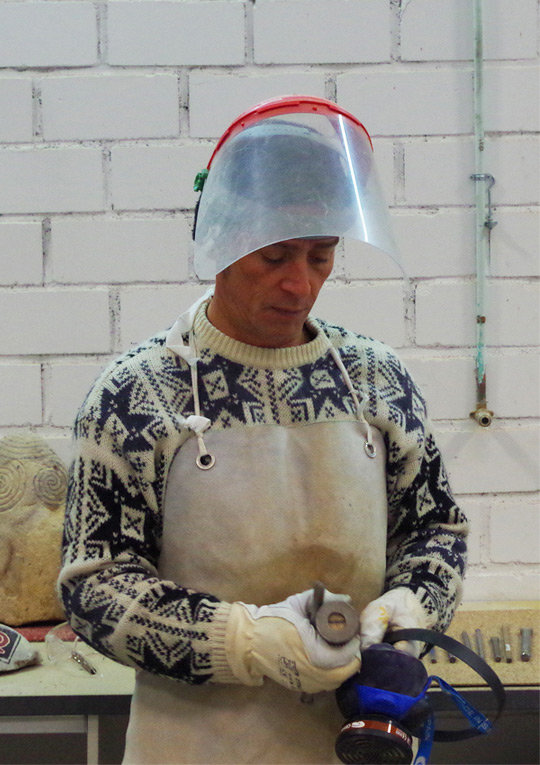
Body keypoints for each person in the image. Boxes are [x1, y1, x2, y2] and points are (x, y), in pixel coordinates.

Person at [59, 96, 468, 764]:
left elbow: (436, 531)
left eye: (320, 255)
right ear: (221, 241)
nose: (300, 284)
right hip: (193, 745)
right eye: (274, 256)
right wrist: (249, 641)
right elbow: (95, 586)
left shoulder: (375, 379)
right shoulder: (136, 393)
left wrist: (409, 609)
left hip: (355, 745)